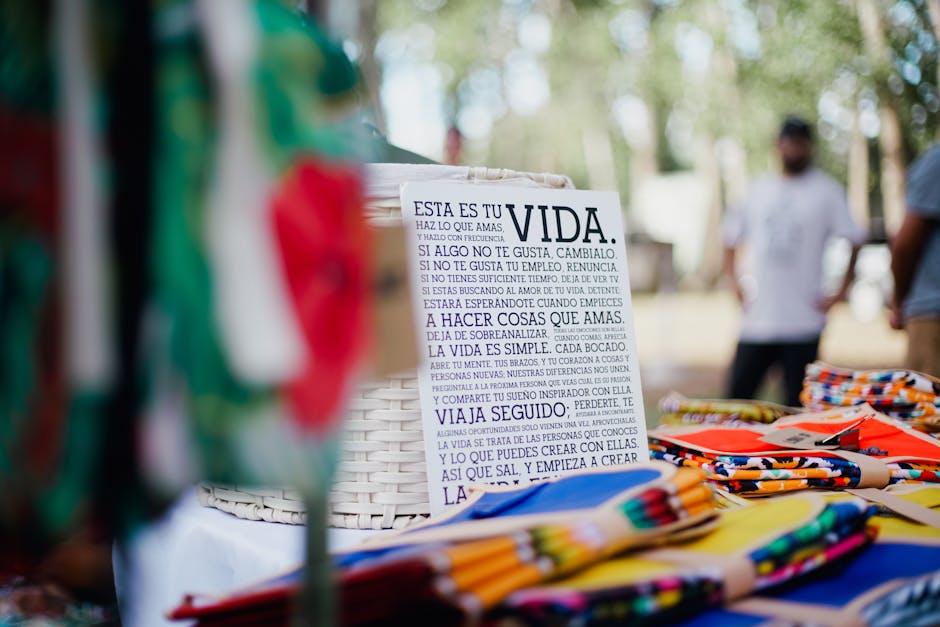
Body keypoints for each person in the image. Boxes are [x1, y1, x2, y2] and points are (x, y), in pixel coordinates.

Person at [722, 116, 866, 406]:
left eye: (801, 144)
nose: (794, 150)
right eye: (789, 143)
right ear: (778, 145)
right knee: (736, 401)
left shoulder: (826, 191)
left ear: (809, 147)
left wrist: (841, 289)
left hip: (803, 321)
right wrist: (734, 282)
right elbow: (729, 237)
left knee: (797, 406)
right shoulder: (758, 189)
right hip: (758, 320)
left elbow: (854, 237)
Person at [890, 144, 940, 377]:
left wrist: (898, 300)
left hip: (932, 315)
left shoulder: (936, 161)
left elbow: (906, 244)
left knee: (925, 399)